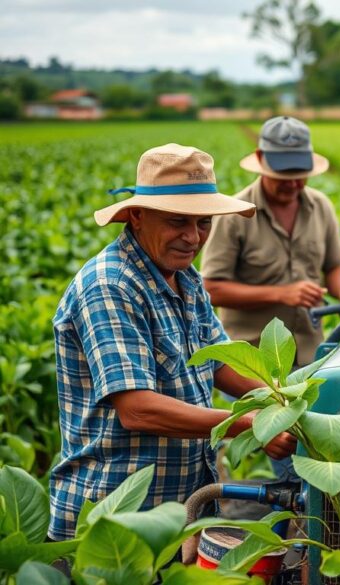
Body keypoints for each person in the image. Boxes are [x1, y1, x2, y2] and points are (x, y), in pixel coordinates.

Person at [50, 144, 297, 541]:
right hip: (116, 516)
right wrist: (247, 424)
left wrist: (285, 400)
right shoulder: (111, 285)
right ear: (137, 216)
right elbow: (138, 410)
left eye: (203, 223)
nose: (193, 237)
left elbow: (218, 363)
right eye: (177, 221)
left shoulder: (184, 277)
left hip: (182, 507)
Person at [201, 116, 340, 368]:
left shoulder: (321, 206)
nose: (293, 184)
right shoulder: (235, 214)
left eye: (301, 176)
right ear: (261, 159)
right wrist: (281, 294)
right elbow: (211, 288)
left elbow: (334, 266)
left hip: (310, 353)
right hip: (253, 363)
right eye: (284, 175)